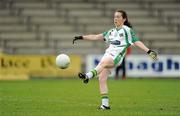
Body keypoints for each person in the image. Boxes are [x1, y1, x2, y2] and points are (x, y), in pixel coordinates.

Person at [72, 9, 158, 110]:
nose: (115, 19)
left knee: (103, 63)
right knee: (102, 79)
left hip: (116, 57)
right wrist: (81, 37)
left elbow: (137, 41)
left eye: (118, 17)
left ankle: (87, 76)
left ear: (124, 19)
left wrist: (149, 51)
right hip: (107, 54)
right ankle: (105, 105)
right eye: (114, 17)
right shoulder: (111, 32)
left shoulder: (127, 30)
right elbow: (96, 37)